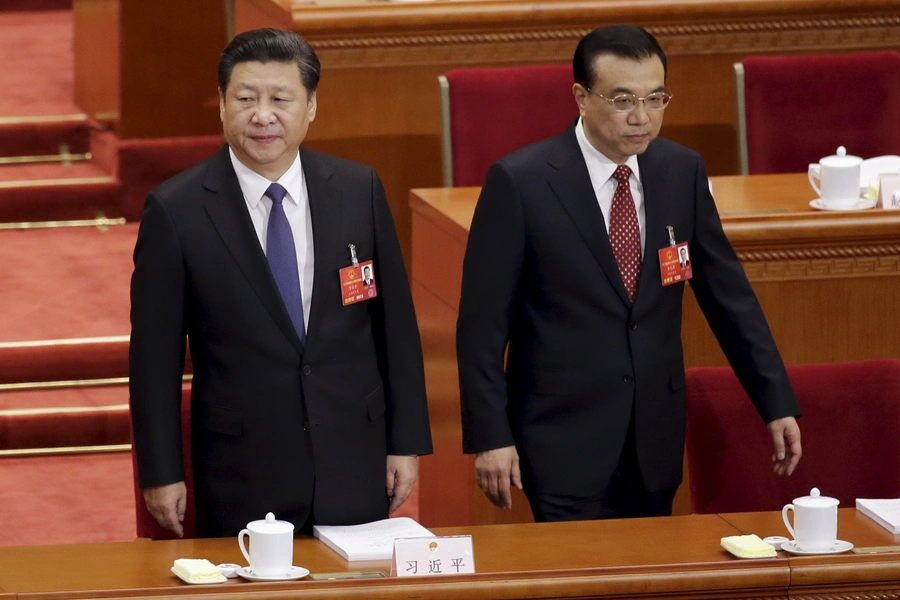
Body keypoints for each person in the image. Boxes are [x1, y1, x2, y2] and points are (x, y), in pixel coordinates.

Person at [456, 25, 801, 522]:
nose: (642, 117)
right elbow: (482, 327)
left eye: (655, 98)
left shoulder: (681, 171)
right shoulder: (521, 182)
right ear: (581, 96)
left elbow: (730, 299)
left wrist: (776, 401)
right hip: (561, 439)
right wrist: (491, 437)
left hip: (653, 439)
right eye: (622, 100)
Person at [129, 28, 432, 538]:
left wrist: (406, 441)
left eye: (280, 99)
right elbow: (153, 359)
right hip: (242, 466)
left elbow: (394, 328)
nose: (262, 115)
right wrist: (161, 473)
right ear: (222, 105)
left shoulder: (359, 189)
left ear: (311, 106)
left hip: (354, 458)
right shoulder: (176, 211)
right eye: (245, 98)